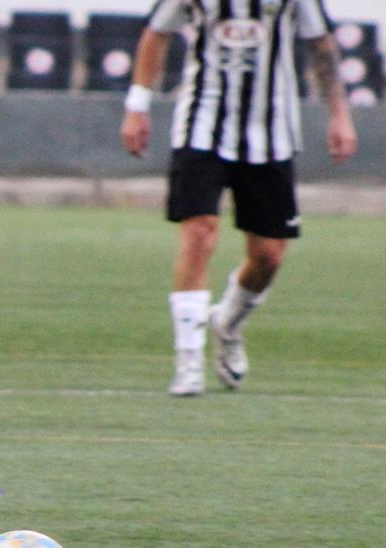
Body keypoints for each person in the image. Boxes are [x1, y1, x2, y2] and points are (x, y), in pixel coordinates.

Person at [120, 0, 357, 396]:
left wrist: (340, 113)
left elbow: (321, 44)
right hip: (201, 125)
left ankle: (227, 322)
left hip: (271, 132)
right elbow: (156, 32)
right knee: (199, 232)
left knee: (268, 255)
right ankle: (188, 360)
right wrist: (136, 107)